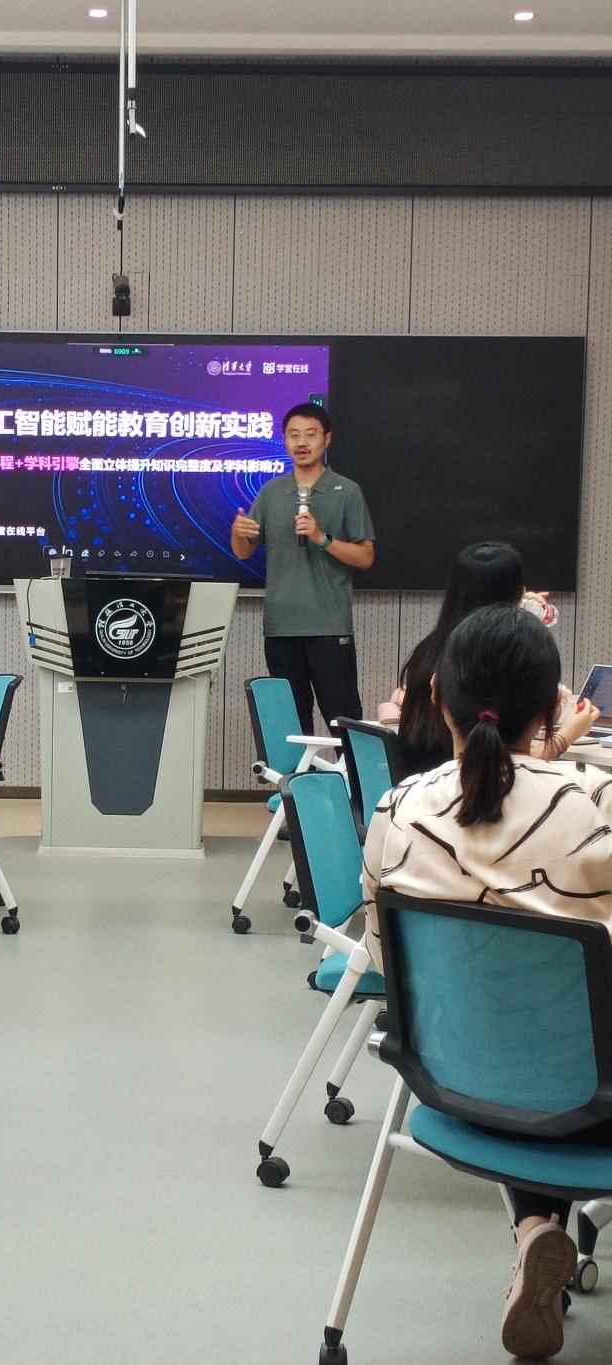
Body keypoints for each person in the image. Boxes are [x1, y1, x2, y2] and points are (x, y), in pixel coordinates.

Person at [362, 605, 612, 1360]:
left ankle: (535, 1228)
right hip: (593, 1101)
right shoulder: (594, 807)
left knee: (529, 1025)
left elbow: (385, 963)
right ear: (552, 709)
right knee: (566, 1032)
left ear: (439, 697)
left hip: (459, 1083)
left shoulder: (399, 808)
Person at [382, 542, 594, 773]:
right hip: (460, 789)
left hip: (417, 785)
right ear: (514, 594)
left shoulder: (429, 649)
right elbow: (493, 771)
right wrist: (565, 736)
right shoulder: (486, 662)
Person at [231, 403, 375, 734]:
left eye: (310, 434)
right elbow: (243, 552)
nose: (302, 442)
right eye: (293, 435)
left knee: (344, 720)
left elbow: (366, 557)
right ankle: (298, 773)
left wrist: (322, 538)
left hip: (328, 625)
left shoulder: (347, 491)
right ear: (284, 440)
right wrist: (238, 533)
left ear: (327, 439)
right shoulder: (271, 492)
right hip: (281, 626)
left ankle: (353, 771)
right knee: (292, 726)